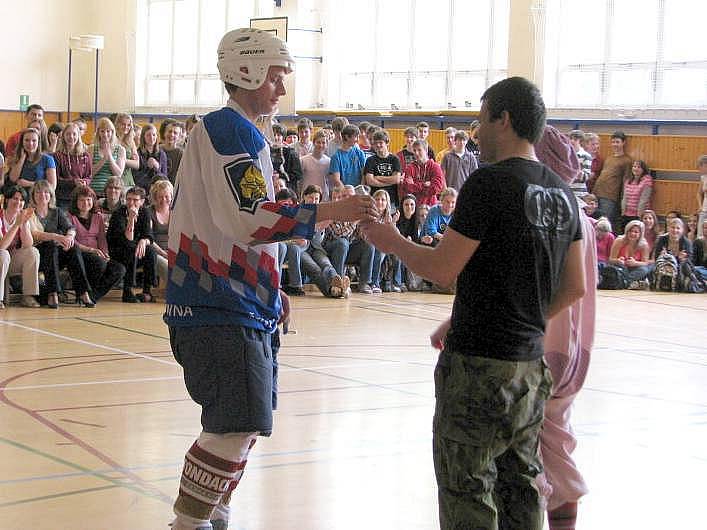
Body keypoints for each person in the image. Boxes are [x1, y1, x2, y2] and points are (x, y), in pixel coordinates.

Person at [163, 28, 376, 530]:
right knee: (234, 425)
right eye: (277, 77)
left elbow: (246, 227)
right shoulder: (229, 130)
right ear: (248, 73)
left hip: (242, 303)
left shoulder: (243, 134)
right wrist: (331, 209)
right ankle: (187, 525)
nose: (282, 89)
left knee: (245, 424)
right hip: (217, 305)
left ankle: (214, 515)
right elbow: (249, 217)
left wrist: (273, 288)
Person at [362, 76, 585, 530]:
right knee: (520, 485)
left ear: (503, 119)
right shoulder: (562, 194)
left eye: (480, 121)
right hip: (529, 368)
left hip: (479, 367)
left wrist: (391, 240)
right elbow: (574, 286)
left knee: (468, 487)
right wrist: (520, 320)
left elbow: (444, 268)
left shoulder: (488, 183)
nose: (476, 131)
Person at [534, 121, 597, 530]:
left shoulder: (549, 218)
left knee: (533, 455)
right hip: (575, 352)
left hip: (542, 348)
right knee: (557, 445)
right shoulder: (585, 221)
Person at [29, 180, 94, 308]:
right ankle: (52, 293)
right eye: (39, 192)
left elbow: (71, 228)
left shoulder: (57, 212)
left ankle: (82, 292)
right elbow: (34, 234)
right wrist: (56, 237)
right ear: (33, 195)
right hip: (37, 255)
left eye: (46, 192)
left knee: (73, 247)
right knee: (51, 245)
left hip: (55, 255)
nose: (43, 195)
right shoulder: (29, 212)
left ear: (51, 195)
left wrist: (69, 237)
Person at [67, 185, 126, 302]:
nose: (86, 203)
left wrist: (105, 254)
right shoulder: (70, 217)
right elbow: (72, 242)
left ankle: (93, 296)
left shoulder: (98, 217)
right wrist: (92, 251)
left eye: (88, 199)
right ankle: (87, 294)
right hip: (79, 254)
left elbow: (102, 239)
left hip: (97, 253)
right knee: (98, 263)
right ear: (76, 202)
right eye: (82, 200)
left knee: (119, 269)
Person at [107, 186, 156, 303]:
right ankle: (127, 290)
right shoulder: (118, 214)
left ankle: (147, 290)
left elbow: (149, 236)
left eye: (135, 200)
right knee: (131, 249)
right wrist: (131, 219)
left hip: (135, 250)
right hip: (118, 251)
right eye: (128, 199)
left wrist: (144, 241)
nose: (131, 203)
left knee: (150, 251)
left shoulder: (145, 212)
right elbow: (127, 240)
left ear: (142, 202)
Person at [0, 185, 40, 308]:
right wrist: (17, 224)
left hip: (10, 260)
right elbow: (2, 246)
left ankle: (28, 296)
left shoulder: (21, 218)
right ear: (7, 200)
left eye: (22, 200)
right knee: (3, 254)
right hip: (1, 256)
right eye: (15, 199)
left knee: (32, 252)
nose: (18, 202)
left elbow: (28, 244)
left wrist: (23, 224)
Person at [592, 131, 632, 229]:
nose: (615, 144)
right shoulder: (609, 158)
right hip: (597, 193)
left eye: (617, 142)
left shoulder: (627, 160)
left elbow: (626, 181)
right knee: (594, 220)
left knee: (604, 223)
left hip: (610, 196)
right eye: (613, 142)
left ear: (623, 143)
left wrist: (623, 201)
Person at [53, 122, 92, 208]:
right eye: (68, 134)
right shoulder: (57, 156)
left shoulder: (85, 155)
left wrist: (85, 182)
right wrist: (74, 182)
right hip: (63, 199)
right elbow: (56, 179)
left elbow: (89, 176)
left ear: (78, 136)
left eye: (74, 134)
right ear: (63, 136)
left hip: (81, 198)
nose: (71, 137)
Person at [7, 127, 57, 192]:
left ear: (38, 142)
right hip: (21, 199)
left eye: (34, 140)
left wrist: (29, 183)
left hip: (40, 197)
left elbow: (52, 186)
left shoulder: (48, 159)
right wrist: (22, 159)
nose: (30, 143)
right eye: (27, 140)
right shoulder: (18, 157)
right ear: (22, 142)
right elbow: (13, 179)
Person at [363, 129, 403, 210]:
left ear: (387, 143)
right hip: (374, 200)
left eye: (381, 142)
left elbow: (396, 179)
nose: (378, 145)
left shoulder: (395, 159)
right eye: (376, 143)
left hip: (391, 200)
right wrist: (389, 181)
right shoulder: (370, 160)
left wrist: (377, 177)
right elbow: (370, 181)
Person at [399, 139, 445, 206]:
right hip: (414, 208)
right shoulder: (410, 168)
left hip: (430, 206)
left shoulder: (435, 167)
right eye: (414, 150)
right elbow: (407, 187)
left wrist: (415, 184)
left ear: (426, 151)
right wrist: (425, 184)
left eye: (419, 150)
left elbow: (436, 188)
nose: (416, 153)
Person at [608, 220, 652, 289]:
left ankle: (624, 282)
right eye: (630, 231)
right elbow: (610, 260)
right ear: (626, 231)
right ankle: (629, 283)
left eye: (636, 232)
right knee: (617, 268)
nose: (632, 233)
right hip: (621, 267)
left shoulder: (644, 245)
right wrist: (618, 261)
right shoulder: (619, 241)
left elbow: (645, 263)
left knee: (644, 270)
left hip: (635, 269)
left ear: (640, 234)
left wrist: (635, 263)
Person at [90, 117, 126, 198]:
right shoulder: (91, 148)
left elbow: (118, 174)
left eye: (108, 131)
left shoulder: (120, 149)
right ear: (98, 132)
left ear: (112, 132)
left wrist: (109, 156)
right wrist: (103, 159)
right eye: (102, 131)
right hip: (94, 191)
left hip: (112, 192)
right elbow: (89, 173)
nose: (105, 134)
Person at [147, 179, 172, 285]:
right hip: (155, 251)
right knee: (166, 265)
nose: (164, 199)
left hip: (173, 250)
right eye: (160, 197)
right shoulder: (148, 212)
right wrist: (163, 253)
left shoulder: (176, 211)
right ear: (155, 197)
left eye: (167, 196)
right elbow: (148, 238)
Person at [329, 124, 366, 188]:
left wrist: (360, 189)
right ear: (347, 137)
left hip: (358, 192)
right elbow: (336, 180)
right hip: (344, 192)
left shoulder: (359, 153)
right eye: (355, 137)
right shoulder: (336, 157)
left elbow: (364, 174)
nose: (357, 140)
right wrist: (347, 192)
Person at [621, 159, 653, 232]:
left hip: (638, 214)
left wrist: (639, 216)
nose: (636, 169)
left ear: (643, 169)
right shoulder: (628, 180)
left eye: (638, 167)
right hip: (626, 214)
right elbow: (624, 198)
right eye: (634, 166)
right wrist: (623, 213)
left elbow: (643, 200)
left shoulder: (647, 180)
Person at [134, 123, 168, 191]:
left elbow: (165, 178)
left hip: (158, 190)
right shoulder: (137, 153)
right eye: (148, 135)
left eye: (154, 135)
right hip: (143, 190)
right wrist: (147, 167)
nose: (151, 137)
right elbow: (136, 178)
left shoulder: (161, 154)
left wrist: (157, 167)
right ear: (143, 137)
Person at [299, 130, 331, 200]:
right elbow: (299, 182)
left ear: (327, 144)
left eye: (323, 143)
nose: (321, 145)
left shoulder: (329, 161)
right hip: (307, 198)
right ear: (313, 143)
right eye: (318, 142)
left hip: (323, 198)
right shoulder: (303, 160)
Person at [114, 113, 138, 187]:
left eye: (128, 125)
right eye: (123, 124)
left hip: (128, 180)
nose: (126, 127)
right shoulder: (112, 139)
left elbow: (137, 164)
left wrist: (121, 159)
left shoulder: (131, 141)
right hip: (114, 179)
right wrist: (129, 161)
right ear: (117, 124)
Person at [697, 154, 707, 238]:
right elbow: (699, 193)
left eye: (700, 166)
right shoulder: (703, 178)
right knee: (700, 234)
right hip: (704, 209)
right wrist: (700, 206)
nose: (699, 168)